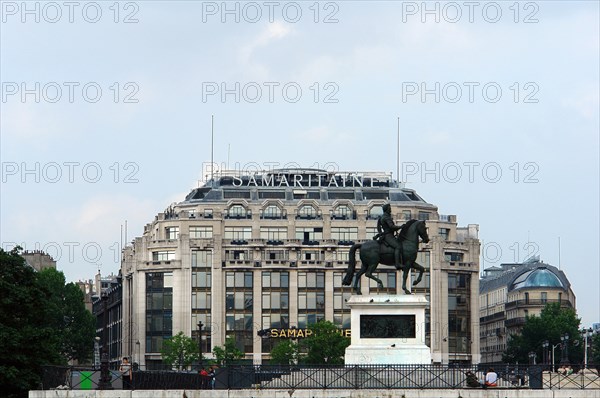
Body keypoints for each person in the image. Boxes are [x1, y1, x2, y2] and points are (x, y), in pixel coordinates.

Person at [377, 203, 403, 270]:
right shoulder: (386, 217)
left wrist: (381, 233)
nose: (390, 210)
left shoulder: (382, 217)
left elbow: (378, 227)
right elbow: (391, 226)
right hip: (388, 236)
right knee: (398, 246)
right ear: (386, 209)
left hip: (387, 235)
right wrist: (400, 227)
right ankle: (397, 264)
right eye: (389, 208)